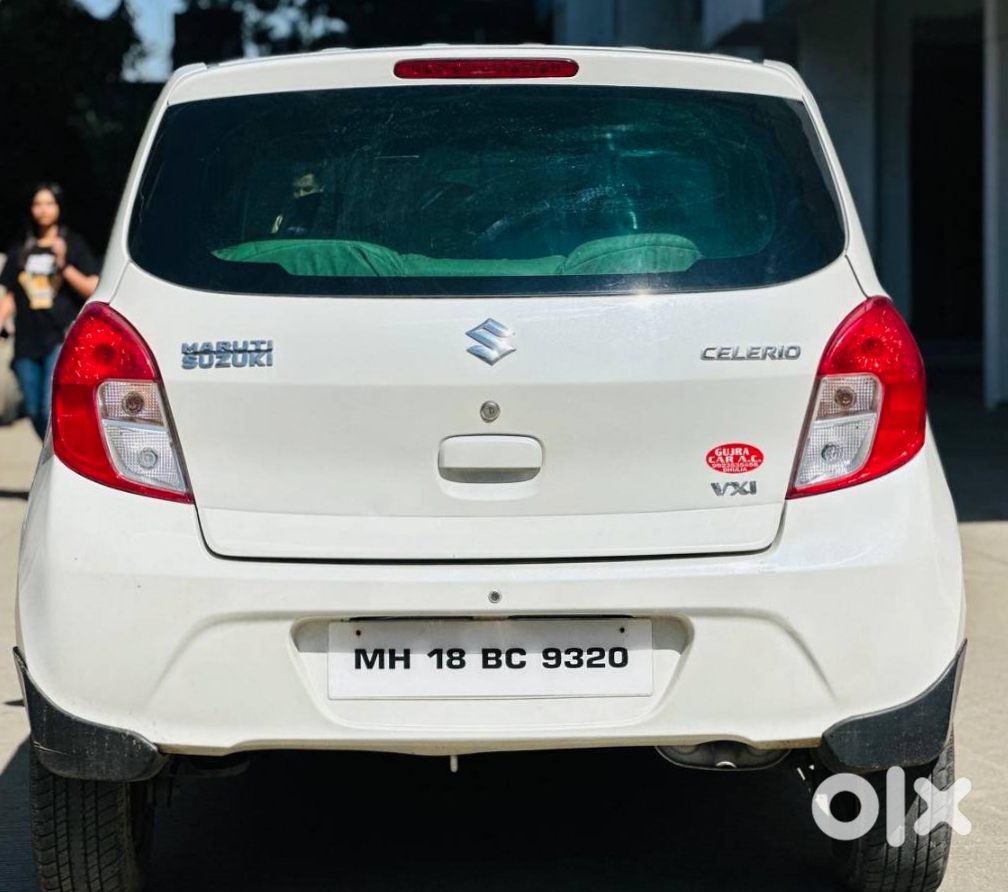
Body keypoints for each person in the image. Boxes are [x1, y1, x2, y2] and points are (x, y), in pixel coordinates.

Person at [0, 183, 99, 438]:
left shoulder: (72, 243)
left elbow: (92, 287)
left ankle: (62, 460)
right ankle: (57, 455)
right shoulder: (22, 248)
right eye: (37, 204)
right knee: (33, 410)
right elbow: (11, 294)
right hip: (25, 342)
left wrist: (63, 264)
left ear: (59, 207)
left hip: (59, 337)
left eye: (48, 203)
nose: (43, 209)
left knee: (49, 408)